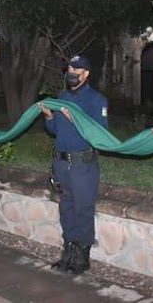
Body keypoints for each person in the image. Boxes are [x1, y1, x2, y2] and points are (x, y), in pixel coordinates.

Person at [38, 55, 107, 275]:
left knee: (83, 209)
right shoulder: (62, 97)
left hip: (82, 164)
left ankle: (82, 256)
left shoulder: (97, 100)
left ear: (86, 74)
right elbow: (55, 130)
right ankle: (68, 251)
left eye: (76, 69)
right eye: (69, 68)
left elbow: (101, 133)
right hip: (61, 162)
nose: (71, 71)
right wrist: (49, 118)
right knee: (66, 209)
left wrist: (75, 118)